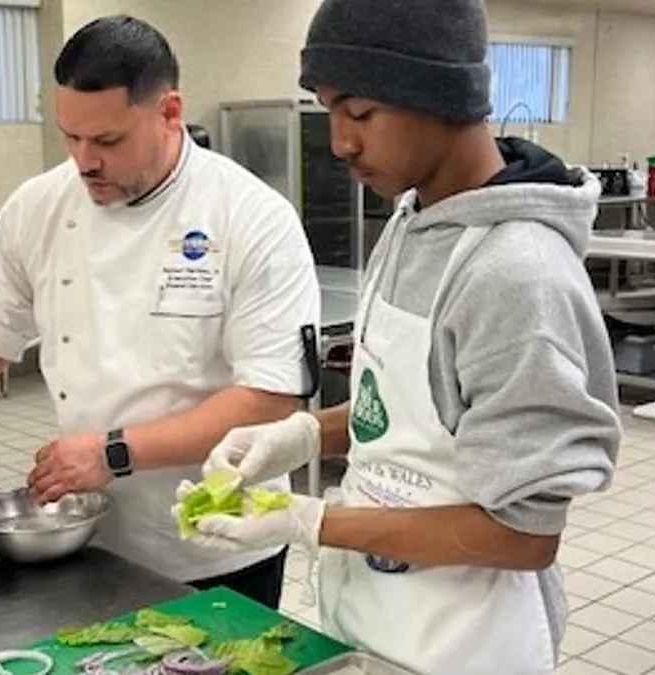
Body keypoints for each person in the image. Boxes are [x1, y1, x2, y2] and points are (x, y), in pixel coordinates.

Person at [177, 0, 621, 672]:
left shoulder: (515, 272)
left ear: (440, 94)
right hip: (375, 623)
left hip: (464, 642)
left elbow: (525, 534)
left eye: (358, 113)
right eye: (329, 111)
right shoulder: (413, 220)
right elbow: (409, 409)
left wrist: (310, 521)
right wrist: (299, 436)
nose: (339, 142)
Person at [0, 15, 320, 609]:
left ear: (169, 112)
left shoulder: (251, 216)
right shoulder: (39, 205)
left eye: (108, 142)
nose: (85, 162)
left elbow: (271, 397)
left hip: (216, 542)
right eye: (70, 137)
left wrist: (114, 452)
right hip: (89, 541)